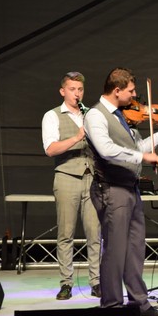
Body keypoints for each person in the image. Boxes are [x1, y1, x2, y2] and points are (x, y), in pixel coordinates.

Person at [84, 67, 158, 316]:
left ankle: (140, 303)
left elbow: (139, 146)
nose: (135, 96)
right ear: (117, 90)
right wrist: (142, 157)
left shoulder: (121, 116)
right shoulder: (96, 115)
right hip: (111, 189)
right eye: (131, 91)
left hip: (130, 188)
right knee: (115, 250)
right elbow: (106, 150)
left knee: (135, 249)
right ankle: (112, 305)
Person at [41, 72, 101, 300]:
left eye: (80, 89)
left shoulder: (90, 114)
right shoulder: (52, 116)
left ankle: (96, 281)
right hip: (67, 177)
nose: (77, 93)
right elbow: (50, 149)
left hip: (92, 177)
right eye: (72, 89)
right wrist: (77, 137)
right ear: (62, 91)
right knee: (66, 233)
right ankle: (66, 283)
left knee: (95, 233)